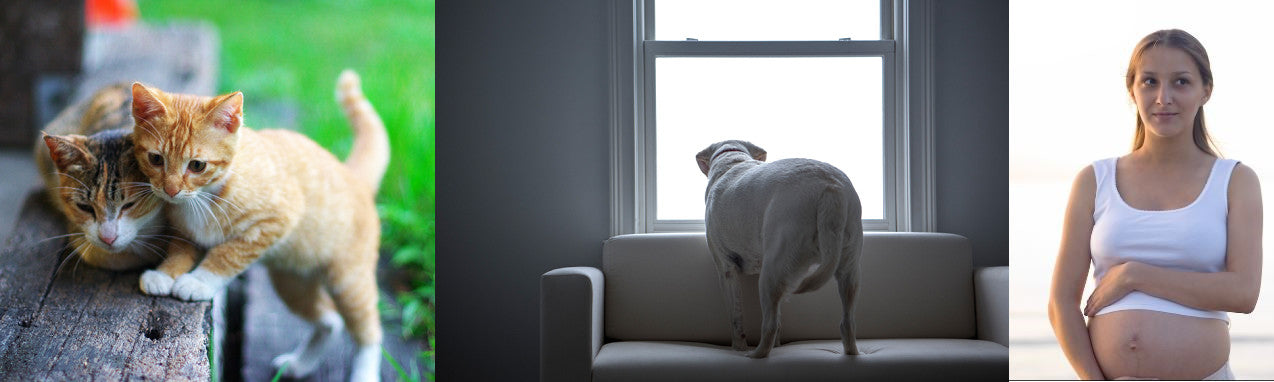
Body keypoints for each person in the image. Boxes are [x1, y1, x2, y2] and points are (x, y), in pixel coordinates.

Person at [1048, 29, 1262, 380]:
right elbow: (1061, 304)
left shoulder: (1236, 180)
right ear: (1132, 90)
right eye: (1149, 82)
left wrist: (1135, 275)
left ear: (1205, 90)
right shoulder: (1094, 179)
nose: (1163, 97)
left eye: (1180, 82)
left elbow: (1243, 293)